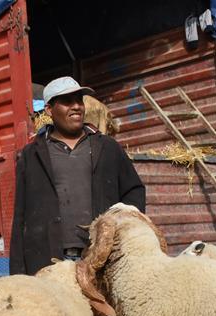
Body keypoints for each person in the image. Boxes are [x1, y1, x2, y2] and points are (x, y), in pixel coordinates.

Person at [10, 76, 146, 275]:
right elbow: (20, 216)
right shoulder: (31, 155)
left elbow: (134, 191)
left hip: (101, 258)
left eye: (79, 100)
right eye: (66, 101)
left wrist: (121, 231)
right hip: (49, 262)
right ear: (49, 110)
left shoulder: (107, 147)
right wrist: (18, 273)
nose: (76, 107)